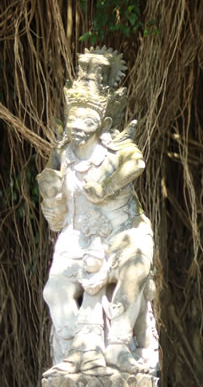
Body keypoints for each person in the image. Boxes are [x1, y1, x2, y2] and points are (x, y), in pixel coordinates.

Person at [39, 48, 157, 376]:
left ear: (102, 122)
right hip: (76, 239)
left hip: (121, 234)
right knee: (54, 291)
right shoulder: (62, 156)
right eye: (73, 119)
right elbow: (59, 213)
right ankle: (77, 349)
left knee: (133, 269)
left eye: (87, 121)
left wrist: (105, 185)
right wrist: (52, 201)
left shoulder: (118, 148)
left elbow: (136, 163)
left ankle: (118, 346)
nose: (78, 127)